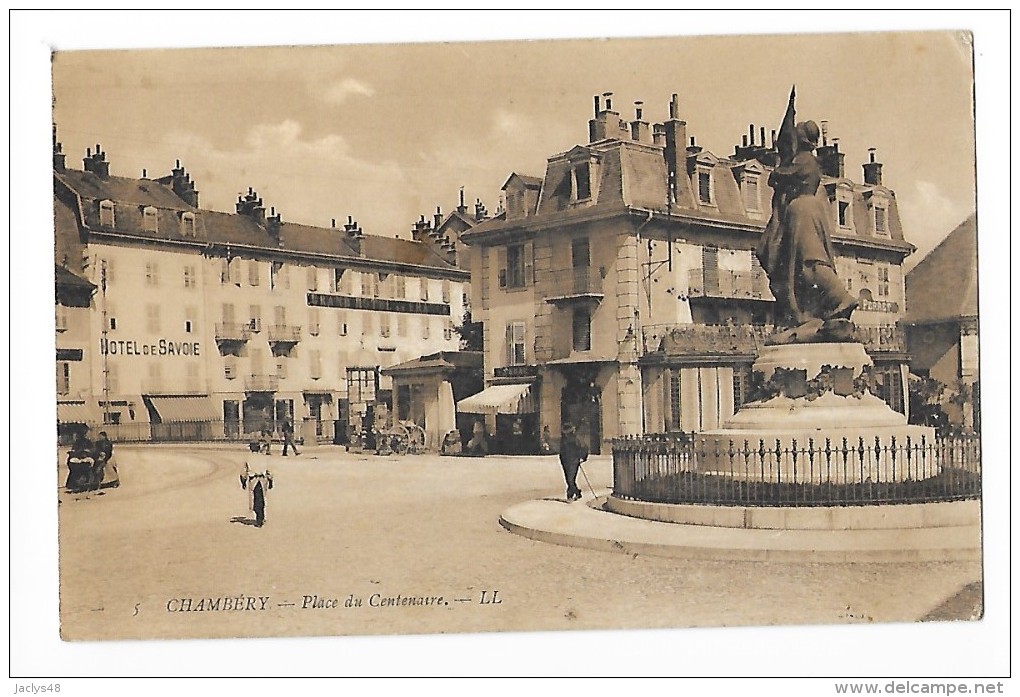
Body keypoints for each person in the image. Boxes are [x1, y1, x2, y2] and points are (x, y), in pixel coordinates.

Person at [756, 120, 857, 330]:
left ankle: (840, 297)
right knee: (802, 264)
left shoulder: (803, 160)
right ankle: (819, 306)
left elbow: (776, 177)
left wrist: (781, 163)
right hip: (807, 210)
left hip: (801, 212)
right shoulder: (808, 160)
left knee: (810, 261)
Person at [241, 448, 274, 527]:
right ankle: (261, 516)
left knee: (255, 499)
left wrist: (243, 482)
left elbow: (244, 472)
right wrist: (271, 481)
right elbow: (269, 471)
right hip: (263, 480)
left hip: (253, 480)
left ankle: (259, 517)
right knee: (262, 498)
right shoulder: (264, 457)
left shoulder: (248, 458)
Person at [558, 422, 588, 501]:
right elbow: (562, 451)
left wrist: (583, 457)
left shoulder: (576, 438)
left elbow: (584, 448)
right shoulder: (563, 439)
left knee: (570, 479)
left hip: (574, 461)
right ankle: (577, 493)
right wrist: (561, 459)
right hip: (565, 461)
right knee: (568, 479)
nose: (565, 433)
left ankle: (570, 495)